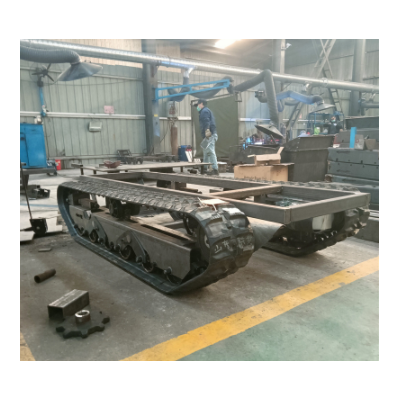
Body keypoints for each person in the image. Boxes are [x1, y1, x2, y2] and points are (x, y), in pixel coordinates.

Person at [197, 99, 219, 175]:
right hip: (210, 134)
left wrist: (207, 132)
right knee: (206, 151)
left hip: (209, 135)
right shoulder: (207, 111)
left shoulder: (204, 111)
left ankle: (215, 170)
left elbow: (206, 121)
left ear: (201, 103)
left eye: (198, 104)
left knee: (210, 151)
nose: (197, 106)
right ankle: (204, 168)